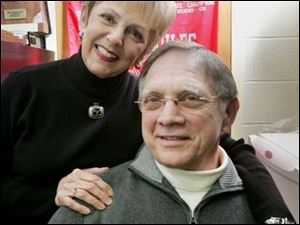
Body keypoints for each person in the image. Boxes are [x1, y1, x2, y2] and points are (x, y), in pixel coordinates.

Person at [1, 2, 294, 224]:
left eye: (135, 33)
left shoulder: (145, 103)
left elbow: (225, 142)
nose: (116, 38)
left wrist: (275, 212)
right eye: (108, 18)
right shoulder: (24, 87)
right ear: (84, 17)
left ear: (146, 49)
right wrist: (54, 193)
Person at [48, 41, 292, 224]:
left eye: (190, 98)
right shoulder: (88, 205)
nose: (168, 118)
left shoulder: (271, 207)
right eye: (153, 100)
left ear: (228, 113)